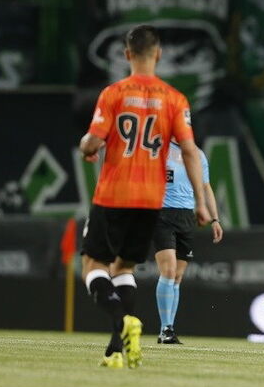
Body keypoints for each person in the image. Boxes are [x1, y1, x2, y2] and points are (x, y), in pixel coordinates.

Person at [79, 25, 210, 369]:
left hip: (113, 194)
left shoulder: (114, 93)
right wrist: (200, 200)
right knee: (125, 268)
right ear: (159, 54)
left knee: (93, 265)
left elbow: (93, 142)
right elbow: (191, 152)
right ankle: (116, 350)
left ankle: (122, 322)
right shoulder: (175, 99)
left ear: (126, 55)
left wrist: (87, 149)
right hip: (152, 201)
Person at [154, 143, 223, 344]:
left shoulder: (197, 154)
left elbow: (205, 186)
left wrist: (215, 219)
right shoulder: (159, 149)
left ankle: (167, 329)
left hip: (186, 217)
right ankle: (166, 328)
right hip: (162, 215)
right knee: (168, 270)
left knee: (177, 276)